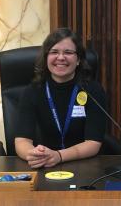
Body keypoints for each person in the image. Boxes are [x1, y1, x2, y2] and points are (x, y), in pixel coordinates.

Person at [15, 27, 106, 168]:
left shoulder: (92, 90)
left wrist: (59, 156)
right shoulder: (33, 91)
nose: (61, 57)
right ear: (46, 58)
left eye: (68, 52)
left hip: (84, 166)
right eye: (54, 52)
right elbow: (21, 140)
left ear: (78, 60)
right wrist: (34, 155)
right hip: (44, 165)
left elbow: (93, 143)